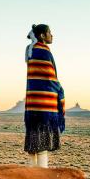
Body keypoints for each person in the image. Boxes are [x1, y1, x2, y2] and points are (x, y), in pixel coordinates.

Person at [24, 24, 65, 168]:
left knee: (33, 141)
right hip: (44, 106)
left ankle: (30, 176)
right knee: (42, 144)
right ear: (42, 36)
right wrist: (60, 90)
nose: (52, 35)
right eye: (49, 33)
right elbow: (49, 78)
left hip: (32, 104)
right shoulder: (43, 52)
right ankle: (42, 177)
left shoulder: (31, 50)